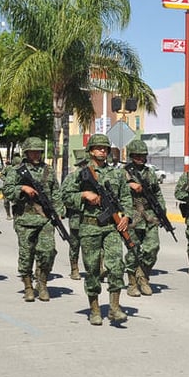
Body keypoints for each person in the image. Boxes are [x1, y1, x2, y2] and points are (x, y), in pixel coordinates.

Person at [61, 134, 134, 325]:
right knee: (92, 269)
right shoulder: (80, 174)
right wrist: (84, 195)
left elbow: (126, 197)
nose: (102, 151)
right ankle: (94, 309)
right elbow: (64, 196)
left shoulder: (117, 174)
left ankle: (114, 308)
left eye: (105, 148)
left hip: (111, 227)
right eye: (98, 148)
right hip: (90, 227)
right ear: (91, 151)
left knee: (116, 266)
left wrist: (126, 215)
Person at [3, 137, 64, 302]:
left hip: (45, 219)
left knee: (48, 251)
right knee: (26, 254)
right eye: (33, 151)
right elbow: (7, 190)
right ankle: (28, 286)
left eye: (39, 151)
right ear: (26, 152)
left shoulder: (48, 170)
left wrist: (59, 211)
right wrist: (22, 188)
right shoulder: (17, 170)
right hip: (25, 218)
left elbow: (56, 193)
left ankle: (42, 283)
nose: (36, 154)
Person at [122, 139, 165, 297]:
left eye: (143, 155)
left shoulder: (150, 172)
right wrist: (129, 185)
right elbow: (111, 188)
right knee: (133, 250)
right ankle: (133, 282)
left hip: (149, 216)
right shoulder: (122, 172)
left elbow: (157, 192)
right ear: (131, 155)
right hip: (132, 216)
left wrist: (162, 211)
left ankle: (143, 276)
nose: (140, 158)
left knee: (153, 247)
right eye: (137, 155)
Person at [61, 149, 89, 280]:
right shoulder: (72, 177)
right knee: (75, 243)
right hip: (77, 216)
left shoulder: (96, 175)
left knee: (95, 243)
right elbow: (64, 196)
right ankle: (74, 268)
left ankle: (99, 267)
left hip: (93, 216)